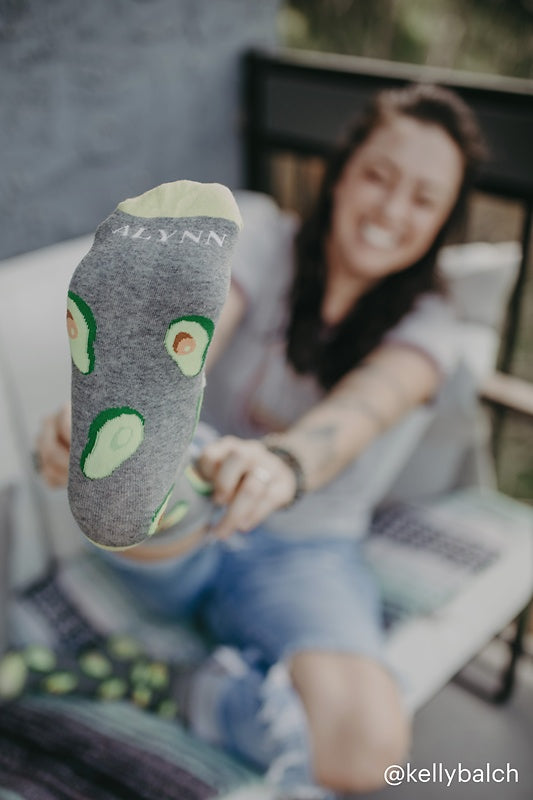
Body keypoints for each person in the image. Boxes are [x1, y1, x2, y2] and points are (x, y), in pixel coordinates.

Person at [36, 83, 486, 797]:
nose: (391, 211)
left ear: (441, 224)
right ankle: (133, 458)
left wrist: (278, 466)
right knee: (167, 464)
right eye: (378, 176)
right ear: (340, 173)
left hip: (302, 551)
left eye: (423, 200)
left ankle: (180, 686)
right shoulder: (263, 241)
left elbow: (364, 411)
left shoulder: (430, 326)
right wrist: (115, 410)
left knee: (366, 751)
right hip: (192, 506)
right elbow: (195, 336)